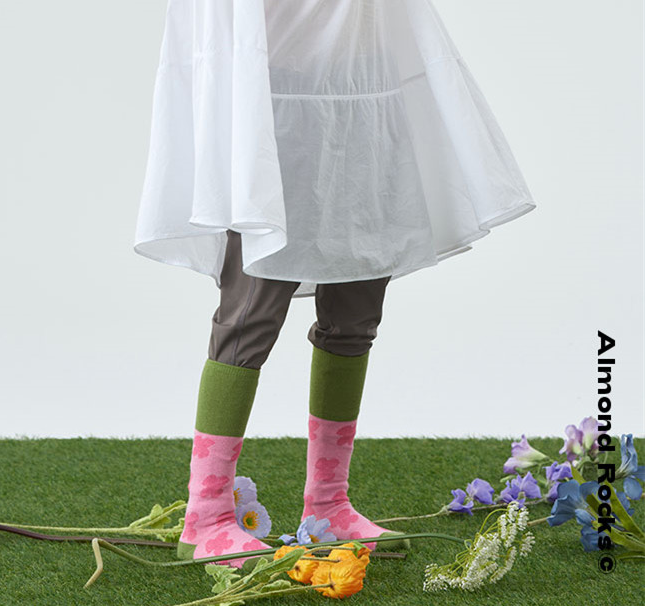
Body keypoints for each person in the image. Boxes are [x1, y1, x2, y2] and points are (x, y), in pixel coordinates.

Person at [133, 0, 537, 569]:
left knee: (356, 309)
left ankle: (327, 506)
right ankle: (206, 515)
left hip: (364, 90)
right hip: (273, 100)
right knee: (250, 313)